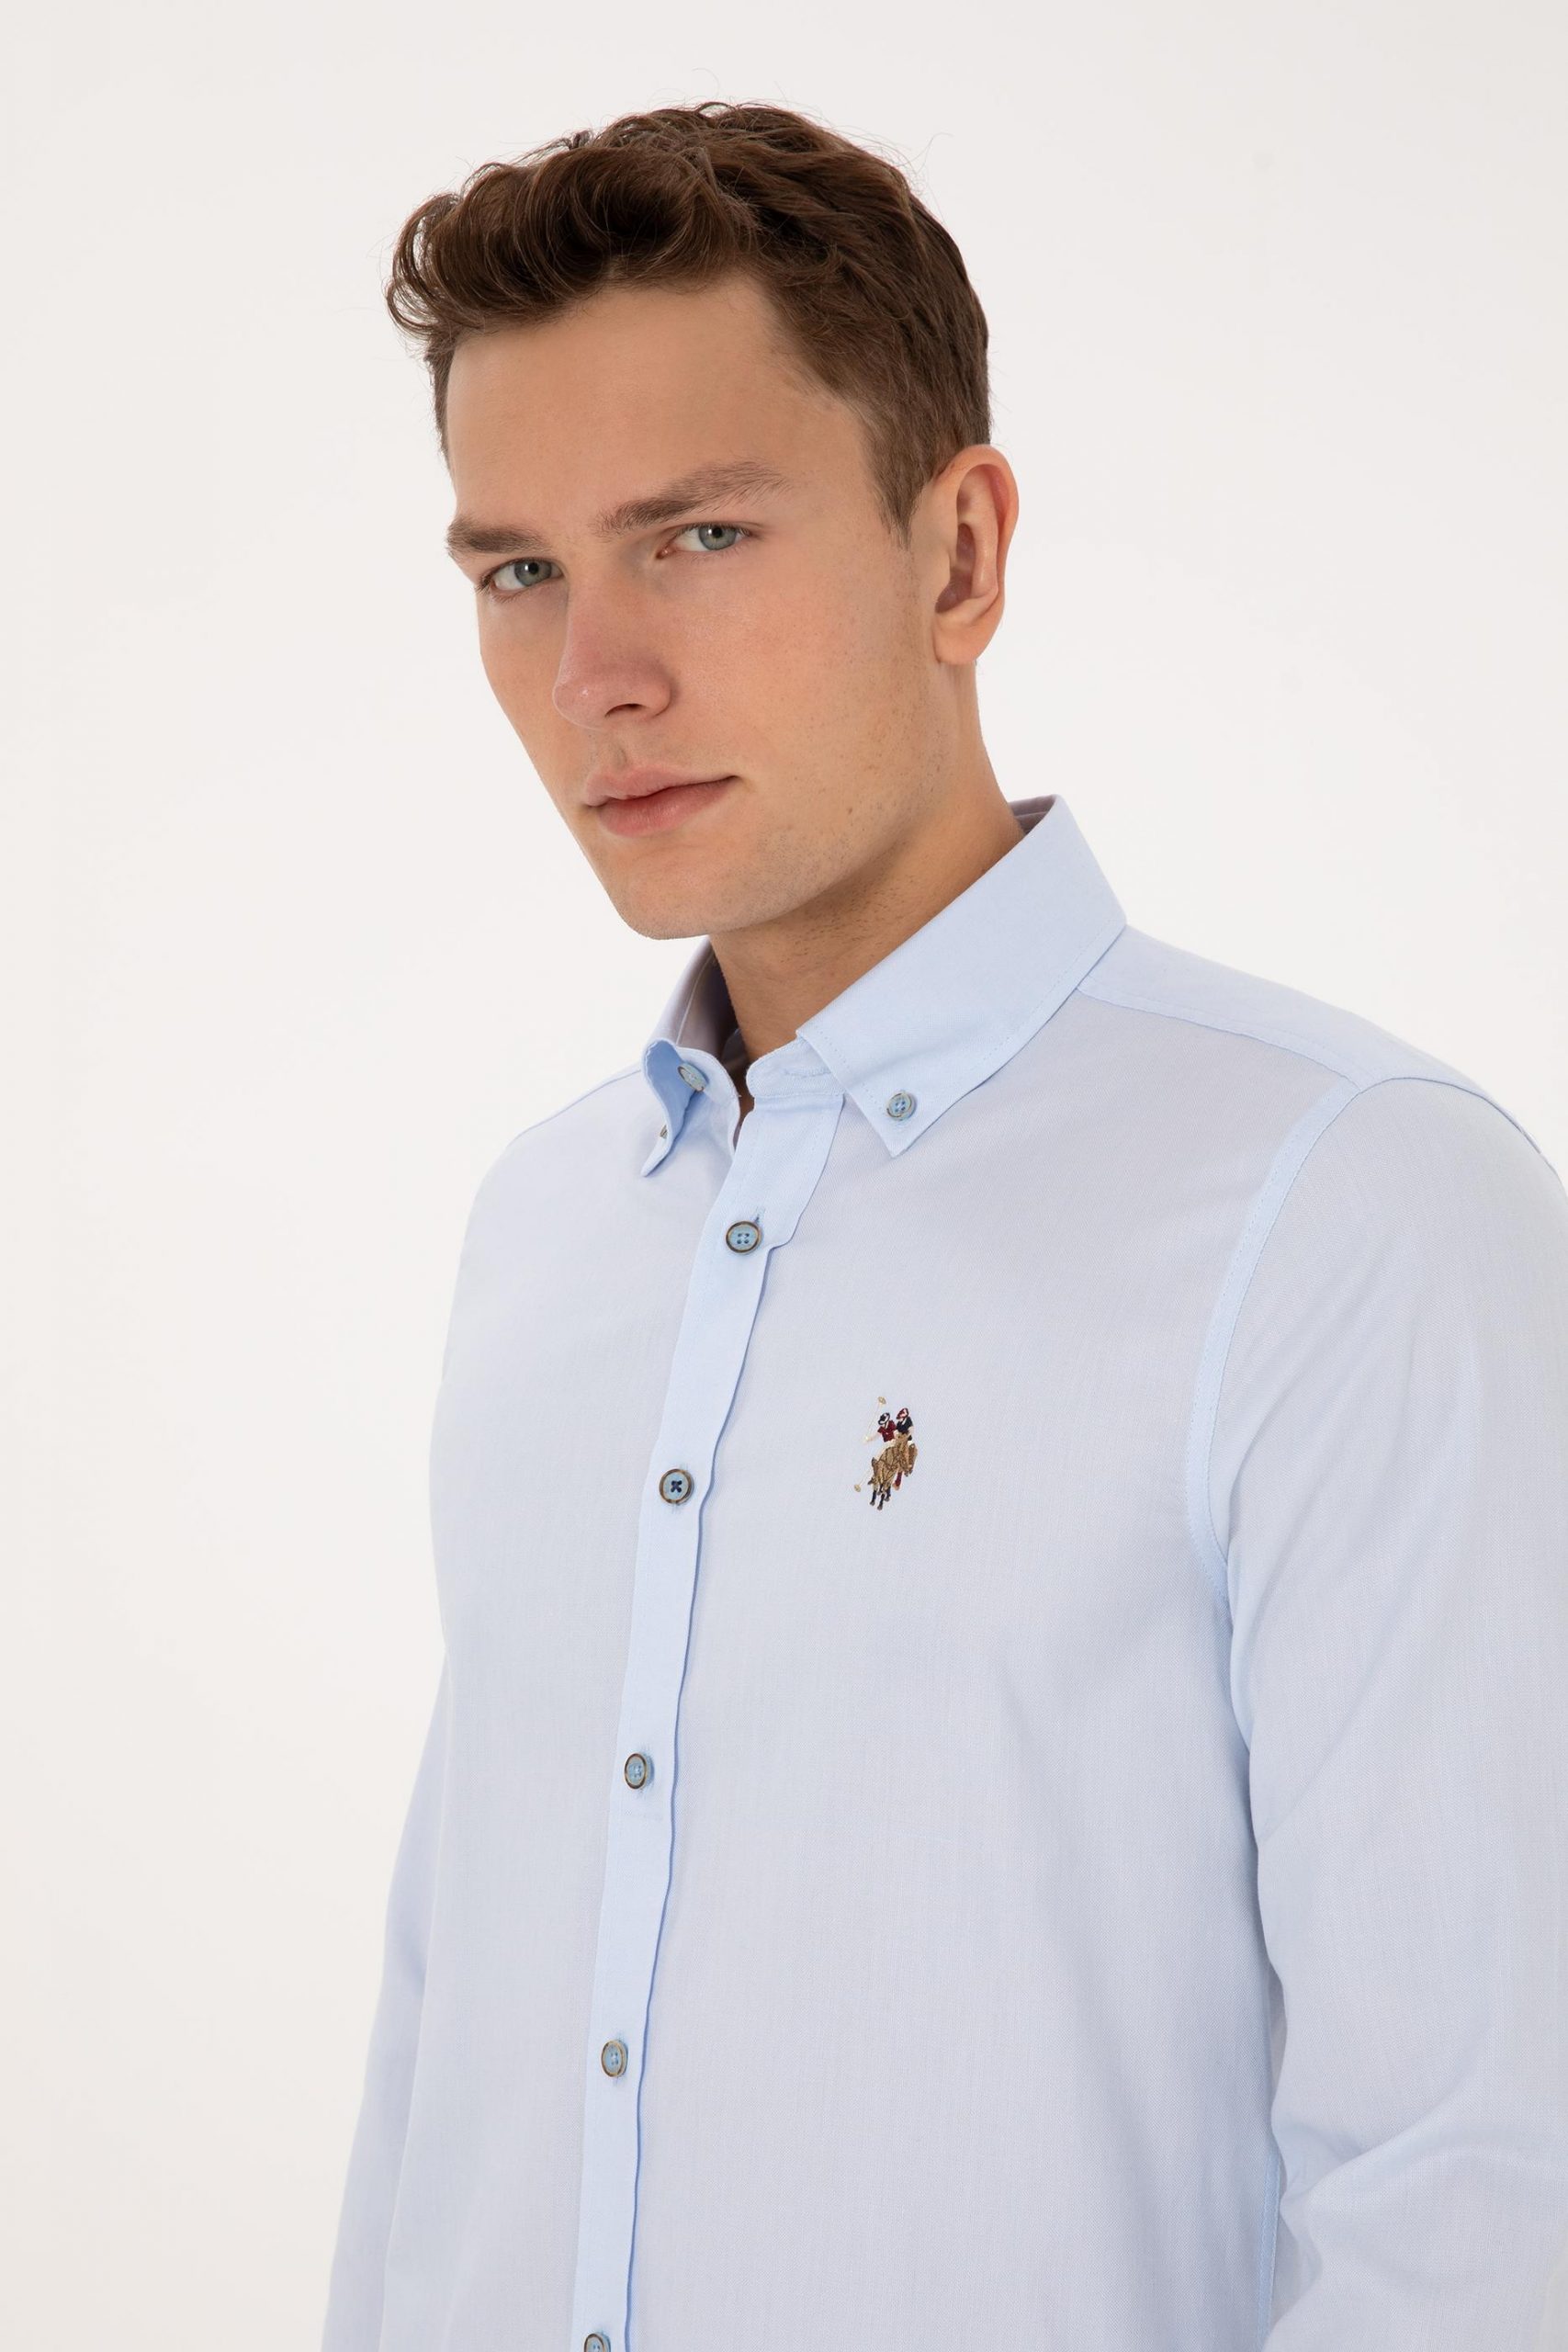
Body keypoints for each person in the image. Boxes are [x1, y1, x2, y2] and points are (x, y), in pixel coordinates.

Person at [320, 100, 1568, 2352]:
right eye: (515, 572)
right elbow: (448, 2061)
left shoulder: (1348, 1206)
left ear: (958, 551)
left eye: (696, 533)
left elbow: (1481, 2182)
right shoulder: (547, 1228)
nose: (594, 674)